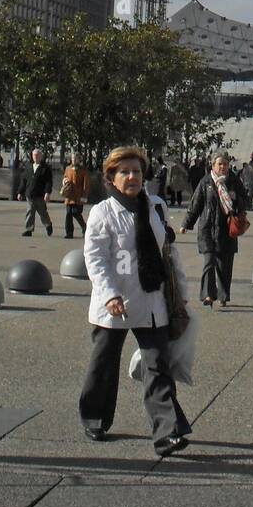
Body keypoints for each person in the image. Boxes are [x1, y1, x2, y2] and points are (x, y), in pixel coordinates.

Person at [79, 146, 191, 455]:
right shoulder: (103, 212)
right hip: (116, 300)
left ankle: (168, 432)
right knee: (103, 363)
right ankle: (95, 417)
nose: (132, 177)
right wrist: (108, 294)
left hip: (152, 299)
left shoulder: (155, 207)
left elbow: (168, 253)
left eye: (137, 172)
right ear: (111, 178)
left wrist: (180, 293)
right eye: (125, 172)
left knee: (157, 365)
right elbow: (96, 259)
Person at [182, 150, 245, 306]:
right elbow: (195, 204)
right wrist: (186, 224)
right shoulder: (206, 182)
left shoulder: (234, 181)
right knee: (209, 261)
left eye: (225, 164)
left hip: (227, 229)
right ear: (213, 165)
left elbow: (245, 201)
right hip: (207, 228)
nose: (223, 167)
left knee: (225, 266)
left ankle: (223, 296)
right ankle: (208, 295)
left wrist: (236, 199)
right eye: (220, 164)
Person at [20, 148, 54, 237]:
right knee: (30, 211)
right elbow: (24, 180)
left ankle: (48, 225)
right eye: (34, 155)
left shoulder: (45, 168)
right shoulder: (28, 167)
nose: (35, 157)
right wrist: (20, 192)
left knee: (42, 212)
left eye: (37, 155)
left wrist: (47, 192)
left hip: (40, 195)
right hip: (30, 194)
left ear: (41, 156)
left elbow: (48, 182)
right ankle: (29, 229)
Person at [61, 153, 89, 239]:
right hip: (69, 195)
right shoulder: (68, 168)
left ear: (79, 159)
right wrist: (65, 181)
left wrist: (84, 195)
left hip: (78, 196)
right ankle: (69, 233)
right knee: (68, 214)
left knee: (76, 213)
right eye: (72, 158)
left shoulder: (83, 170)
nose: (73, 160)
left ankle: (85, 227)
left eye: (75, 158)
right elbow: (65, 177)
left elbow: (86, 184)